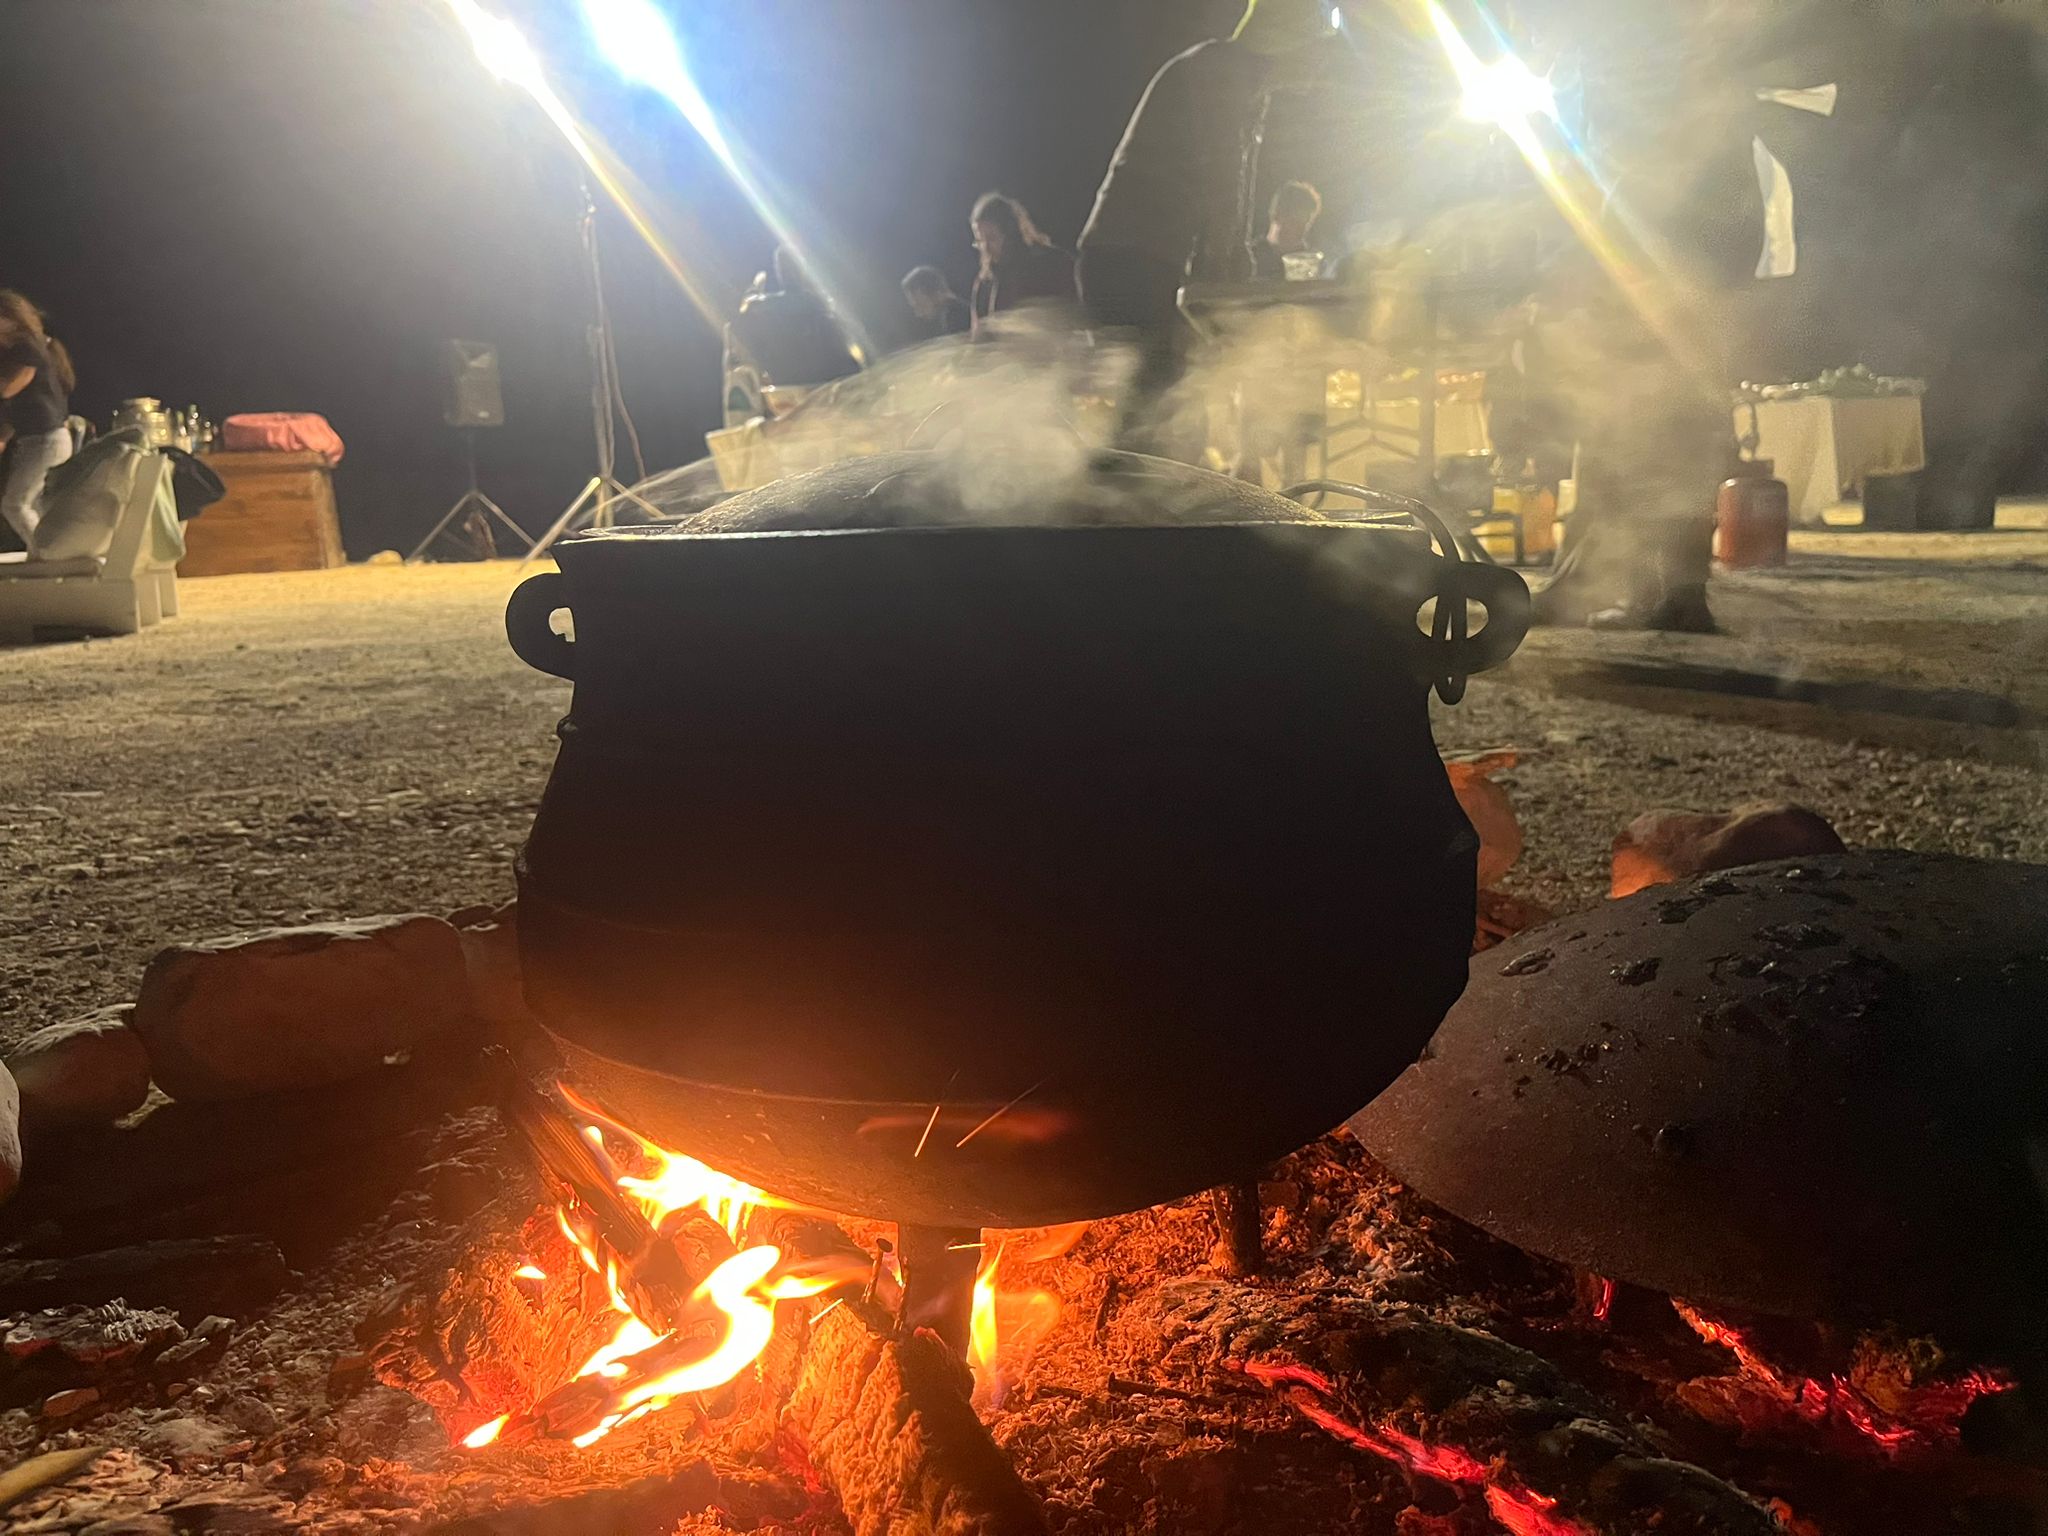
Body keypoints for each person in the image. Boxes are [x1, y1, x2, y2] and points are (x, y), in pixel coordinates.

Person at [1076, 0, 1333, 454]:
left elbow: (1229, 197)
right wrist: (1230, 280)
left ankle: (1121, 491)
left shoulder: (1241, 82)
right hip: (1131, 261)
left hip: (1135, 259)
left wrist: (1233, 265)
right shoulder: (1222, 74)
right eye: (1318, 48)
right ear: (1288, 41)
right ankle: (1115, 495)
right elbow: (1222, 184)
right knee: (1163, 421)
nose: (1322, 67)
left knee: (1163, 416)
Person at [727, 245, 861, 394]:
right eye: (784, 269)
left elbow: (749, 308)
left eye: (788, 268)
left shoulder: (799, 302)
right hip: (816, 383)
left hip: (801, 383)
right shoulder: (815, 303)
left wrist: (755, 289)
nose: (787, 273)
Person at [0, 290, 77, 549]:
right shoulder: (16, 352)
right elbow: (17, 405)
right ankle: (47, 554)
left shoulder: (27, 348)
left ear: (10, 318)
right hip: (38, 440)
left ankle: (49, 553)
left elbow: (10, 388)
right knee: (33, 505)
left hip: (47, 440)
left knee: (15, 504)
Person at [967, 193, 1075, 338]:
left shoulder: (1051, 264)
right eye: (980, 240)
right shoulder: (984, 284)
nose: (985, 248)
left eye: (992, 238)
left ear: (1010, 233)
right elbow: (979, 338)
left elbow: (1070, 318)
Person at [1252, 180, 1323, 280]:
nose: (1302, 228)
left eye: (1307, 221)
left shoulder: (1311, 264)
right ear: (1277, 214)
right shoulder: (1251, 257)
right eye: (1296, 219)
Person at [900, 265, 970, 343]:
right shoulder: (959, 310)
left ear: (936, 294)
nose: (918, 314)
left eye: (919, 305)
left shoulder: (954, 317)